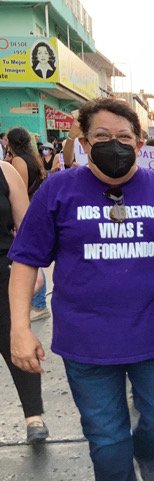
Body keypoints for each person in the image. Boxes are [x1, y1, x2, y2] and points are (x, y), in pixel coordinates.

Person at [8, 98, 154, 481]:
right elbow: (26, 260)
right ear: (82, 141)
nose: (115, 145)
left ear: (139, 141)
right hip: (87, 343)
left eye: (124, 138)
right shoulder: (58, 190)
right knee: (107, 437)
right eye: (102, 137)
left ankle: (147, 449)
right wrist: (19, 327)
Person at [0, 159, 49, 443]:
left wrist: (36, 271)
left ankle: (34, 416)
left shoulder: (5, 172)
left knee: (17, 342)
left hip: (5, 273)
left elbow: (28, 229)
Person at [5, 127, 50, 321]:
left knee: (27, 256)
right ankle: (39, 304)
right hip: (35, 208)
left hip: (25, 212)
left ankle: (39, 304)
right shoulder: (32, 158)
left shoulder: (18, 161)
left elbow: (18, 192)